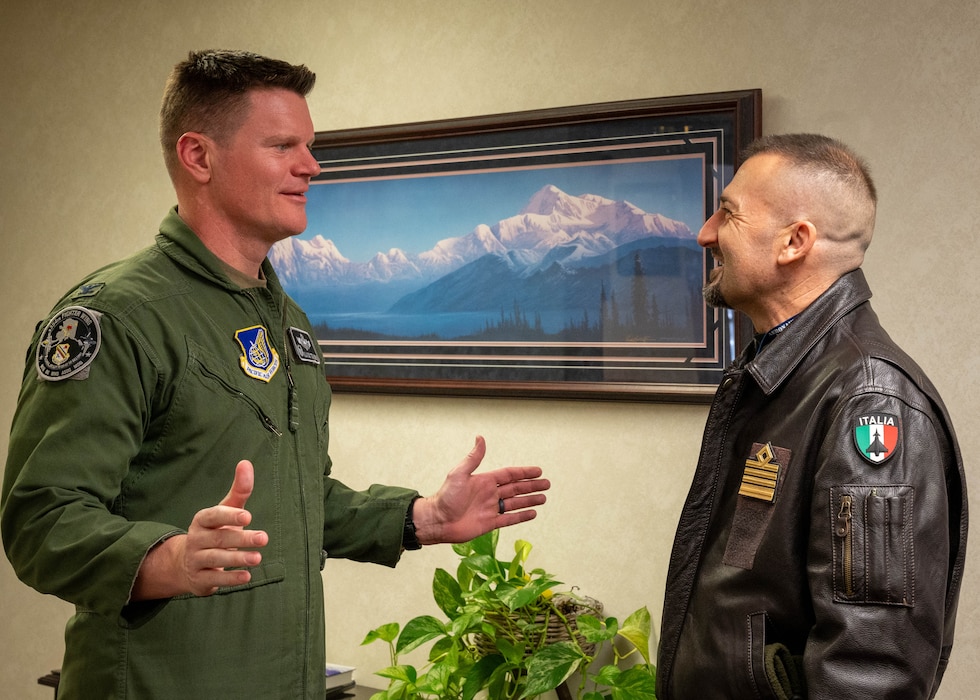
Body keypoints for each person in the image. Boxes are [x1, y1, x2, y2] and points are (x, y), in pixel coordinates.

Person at [0, 50, 549, 699]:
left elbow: (297, 498)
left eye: (309, 146)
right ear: (199, 157)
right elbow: (41, 520)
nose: (311, 166)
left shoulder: (286, 318)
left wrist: (423, 516)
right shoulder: (118, 316)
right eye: (283, 145)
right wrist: (169, 558)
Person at [656, 134, 967, 700]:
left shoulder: (868, 400)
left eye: (727, 213)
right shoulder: (786, 371)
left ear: (794, 242)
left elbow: (873, 668)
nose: (705, 234)